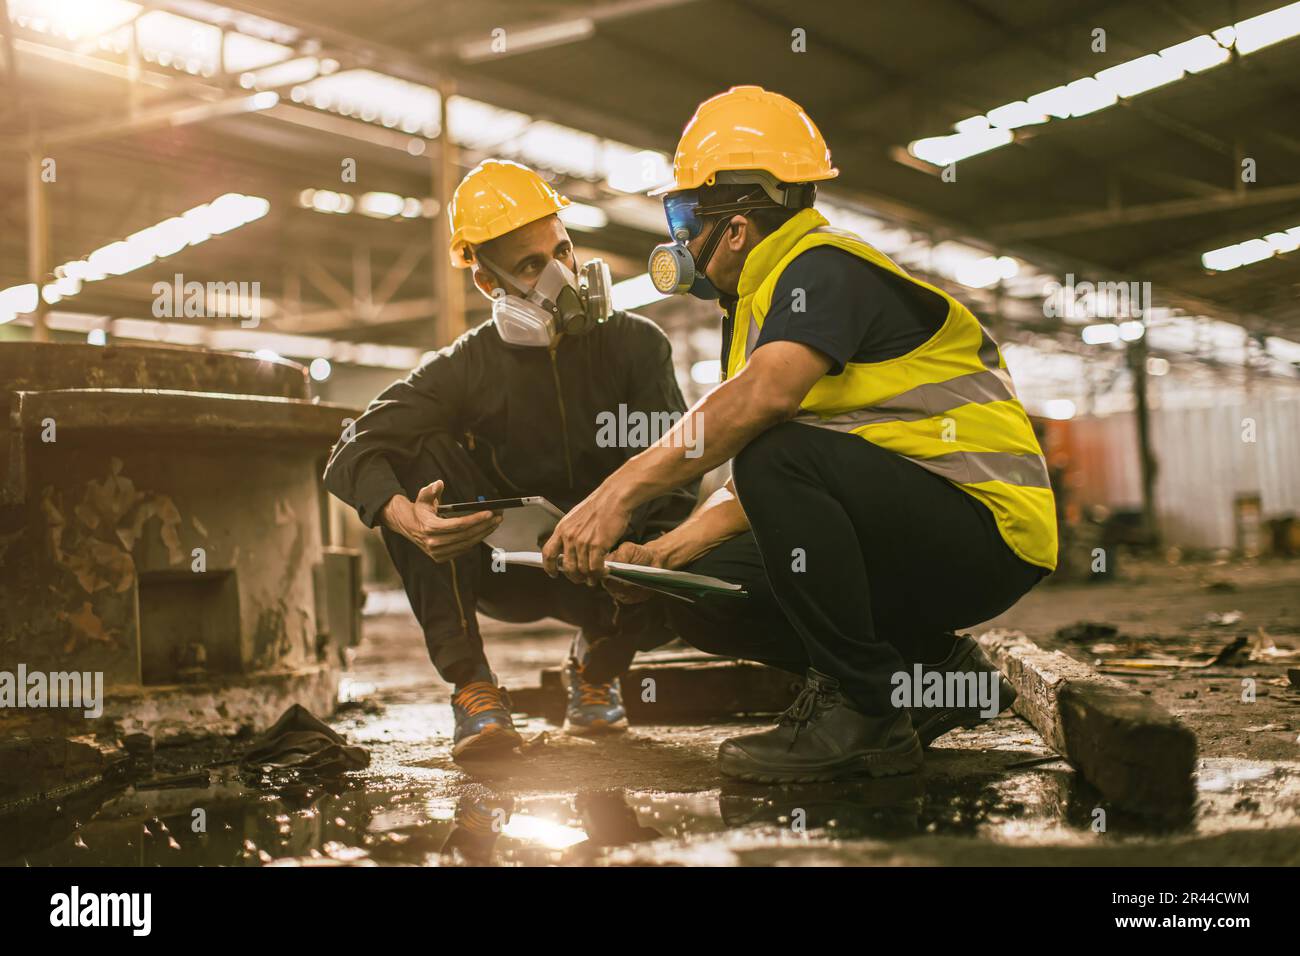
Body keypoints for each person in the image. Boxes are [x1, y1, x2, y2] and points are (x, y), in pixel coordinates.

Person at [542, 87, 1057, 782]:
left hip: (987, 532)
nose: (678, 238)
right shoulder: (761, 302)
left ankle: (865, 709)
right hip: (921, 526)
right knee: (701, 593)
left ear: (738, 224)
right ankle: (935, 680)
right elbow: (793, 475)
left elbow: (769, 415)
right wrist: (669, 552)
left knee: (770, 448)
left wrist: (617, 495)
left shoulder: (822, 267)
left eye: (686, 214)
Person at [324, 159, 696, 759]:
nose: (562, 275)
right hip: (504, 571)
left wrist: (643, 543)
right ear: (489, 284)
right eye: (531, 265)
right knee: (417, 457)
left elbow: (679, 473)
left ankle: (598, 667)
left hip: (607, 573)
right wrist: (404, 517)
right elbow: (353, 447)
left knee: (676, 514)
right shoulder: (464, 367)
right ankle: (474, 689)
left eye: (564, 251)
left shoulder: (637, 346)